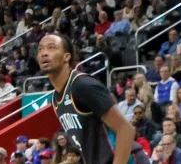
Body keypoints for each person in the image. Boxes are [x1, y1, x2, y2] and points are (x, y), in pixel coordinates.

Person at [38, 33, 136, 164]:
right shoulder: (56, 98)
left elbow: (126, 130)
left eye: (51, 48)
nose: (44, 53)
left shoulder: (83, 86)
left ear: (66, 56)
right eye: (40, 49)